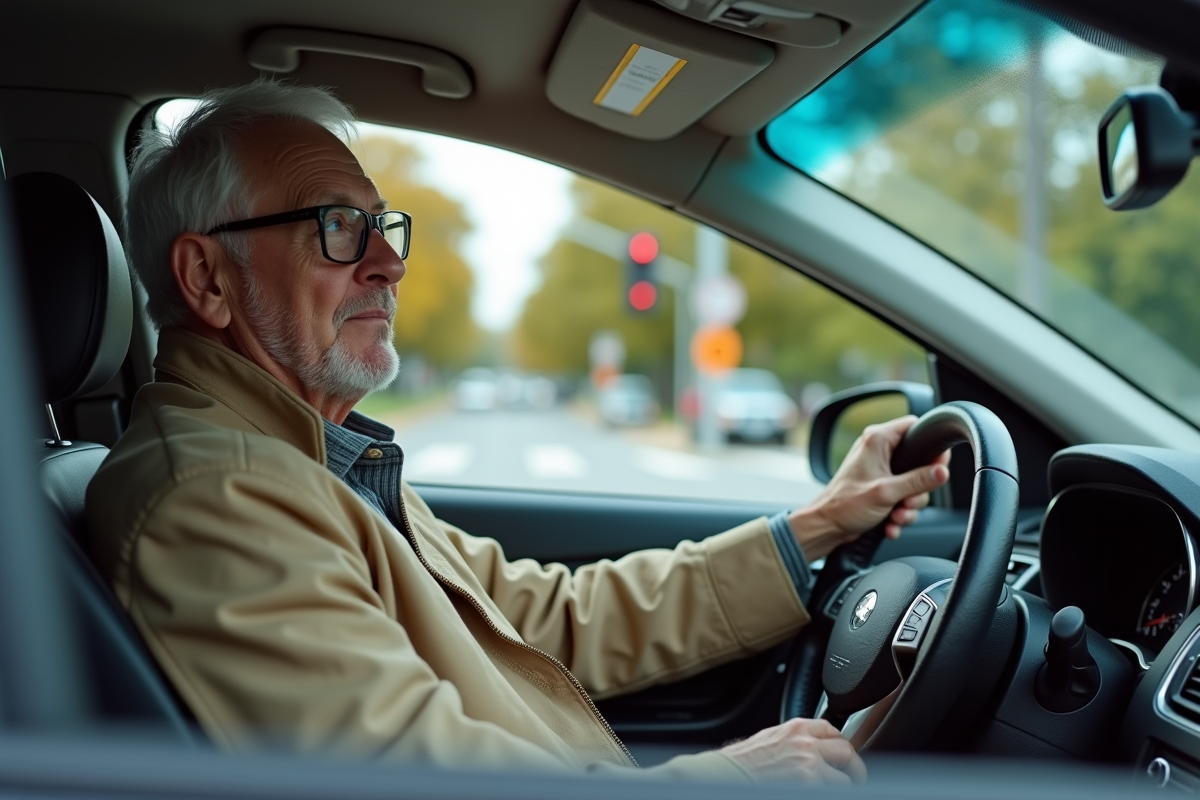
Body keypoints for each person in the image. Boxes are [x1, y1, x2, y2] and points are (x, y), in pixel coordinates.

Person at [86, 80, 949, 784]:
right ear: (206, 277)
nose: (387, 262)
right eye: (335, 228)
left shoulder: (302, 458)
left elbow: (544, 618)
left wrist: (819, 526)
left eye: (381, 225)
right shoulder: (216, 495)